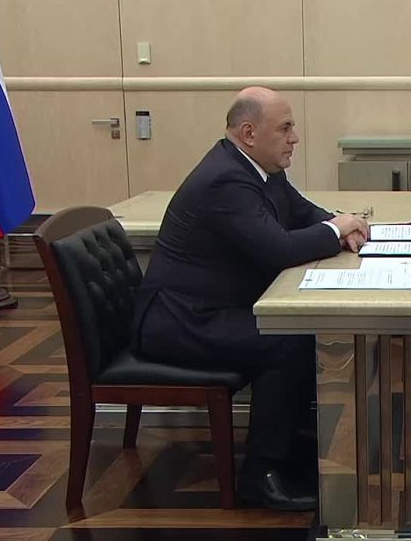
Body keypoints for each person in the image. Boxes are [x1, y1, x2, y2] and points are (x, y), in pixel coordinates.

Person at [131, 87, 369, 511]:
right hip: (180, 321)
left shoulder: (258, 168)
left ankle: (293, 445)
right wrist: (337, 229)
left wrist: (340, 225)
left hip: (210, 309)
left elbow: (300, 212)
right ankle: (260, 475)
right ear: (249, 133)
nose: (295, 137)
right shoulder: (226, 179)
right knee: (285, 341)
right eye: (285, 128)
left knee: (297, 334)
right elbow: (278, 248)